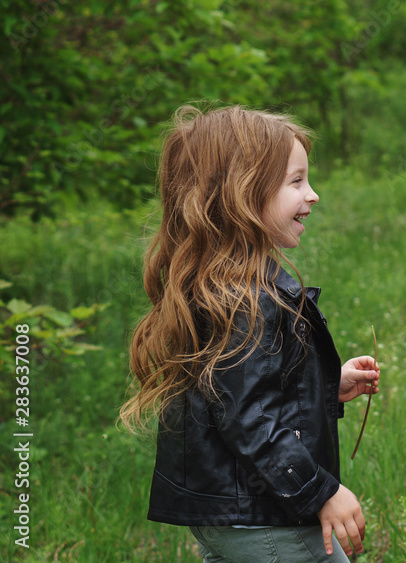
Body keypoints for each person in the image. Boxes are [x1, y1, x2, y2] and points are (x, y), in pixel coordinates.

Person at [120, 105, 379, 562]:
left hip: (227, 516)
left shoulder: (217, 288)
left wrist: (326, 387)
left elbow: (234, 394)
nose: (313, 195)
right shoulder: (250, 300)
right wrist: (321, 492)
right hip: (268, 519)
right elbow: (250, 419)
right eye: (296, 181)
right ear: (242, 194)